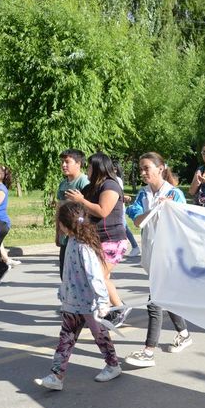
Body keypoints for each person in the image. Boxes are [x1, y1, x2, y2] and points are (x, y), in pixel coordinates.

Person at [34, 202, 120, 391]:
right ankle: (56, 376)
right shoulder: (72, 242)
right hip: (72, 303)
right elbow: (69, 273)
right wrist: (63, 291)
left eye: (59, 224)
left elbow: (94, 276)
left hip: (89, 304)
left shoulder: (84, 247)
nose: (59, 227)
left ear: (66, 225)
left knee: (100, 336)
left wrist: (103, 300)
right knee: (66, 339)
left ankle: (113, 365)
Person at [124, 152, 193, 367]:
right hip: (151, 254)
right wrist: (155, 208)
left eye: (147, 168)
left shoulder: (174, 194)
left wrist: (169, 208)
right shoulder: (142, 195)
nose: (143, 172)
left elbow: (185, 224)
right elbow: (137, 220)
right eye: (141, 169)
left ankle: (148, 351)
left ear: (161, 168)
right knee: (166, 297)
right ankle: (184, 334)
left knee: (155, 301)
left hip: (170, 257)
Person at [65, 152, 131, 327]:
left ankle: (118, 307)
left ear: (98, 167)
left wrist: (81, 200)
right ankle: (108, 309)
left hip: (113, 240)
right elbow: (81, 209)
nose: (87, 169)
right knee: (101, 276)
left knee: (98, 277)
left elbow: (102, 211)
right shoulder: (92, 187)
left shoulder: (110, 186)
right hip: (95, 240)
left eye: (89, 166)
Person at [56, 149, 90, 279]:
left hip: (79, 235)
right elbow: (60, 208)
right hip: (65, 234)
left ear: (78, 163)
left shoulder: (84, 182)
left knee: (79, 274)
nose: (63, 165)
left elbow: (88, 209)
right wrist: (58, 232)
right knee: (64, 273)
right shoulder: (63, 184)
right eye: (62, 162)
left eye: (67, 162)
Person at [113, 161, 140, 257]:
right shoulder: (112, 179)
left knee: (123, 227)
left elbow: (119, 194)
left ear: (116, 170)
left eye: (114, 168)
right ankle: (134, 246)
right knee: (123, 227)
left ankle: (134, 246)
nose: (112, 170)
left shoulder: (117, 180)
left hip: (119, 207)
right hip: (115, 207)